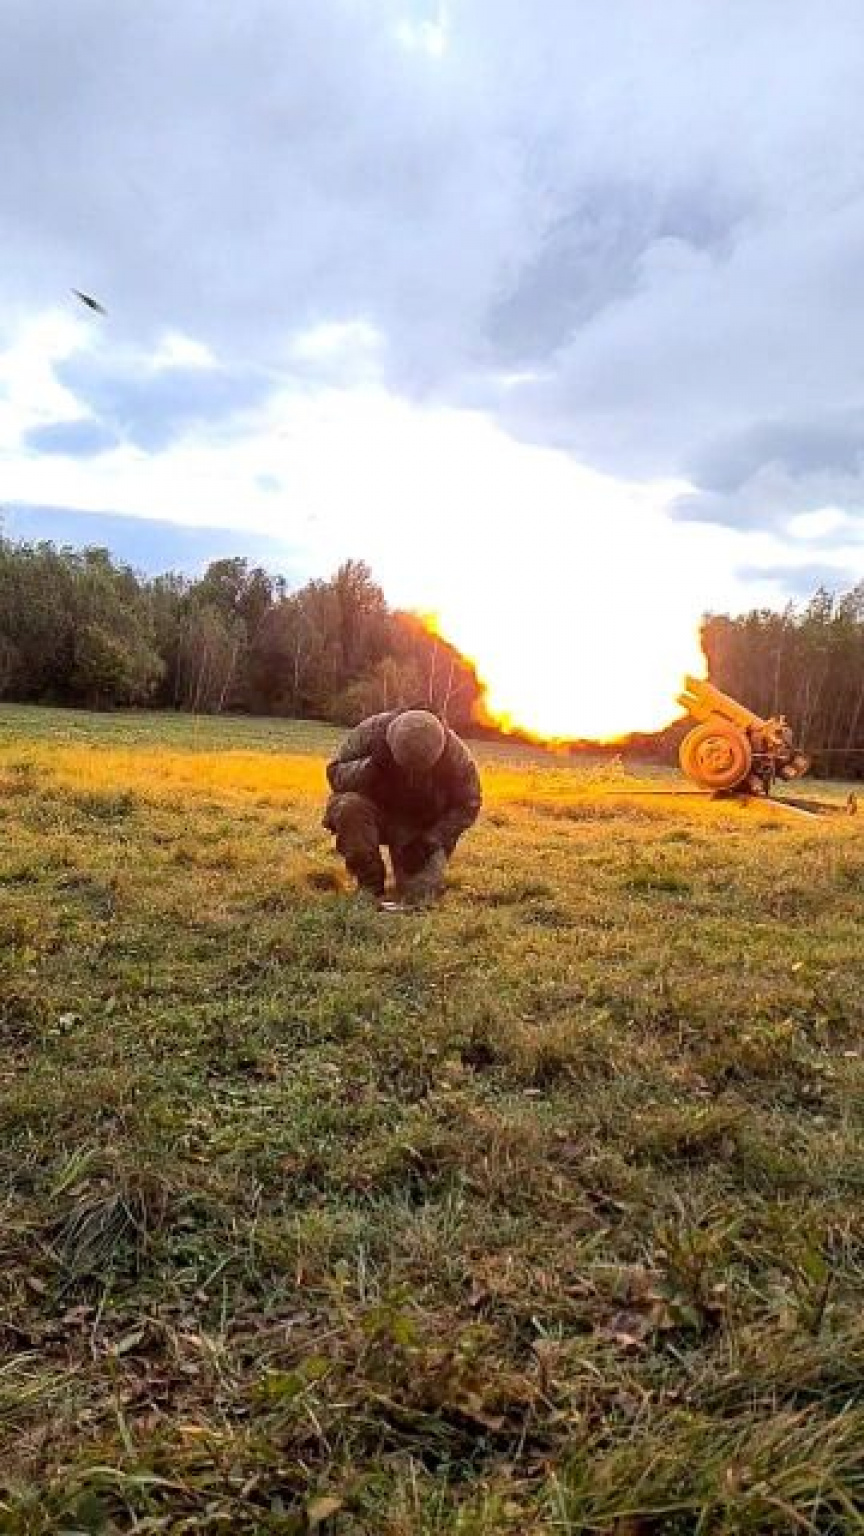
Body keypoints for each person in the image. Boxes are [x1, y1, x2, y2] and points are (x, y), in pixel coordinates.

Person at [323, 708, 482, 904]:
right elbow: (335, 776)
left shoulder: (456, 755)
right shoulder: (371, 732)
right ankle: (369, 884)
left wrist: (431, 840)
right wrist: (371, 767)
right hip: (375, 812)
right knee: (349, 807)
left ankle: (415, 883)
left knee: (420, 897)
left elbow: (469, 804)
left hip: (418, 828)